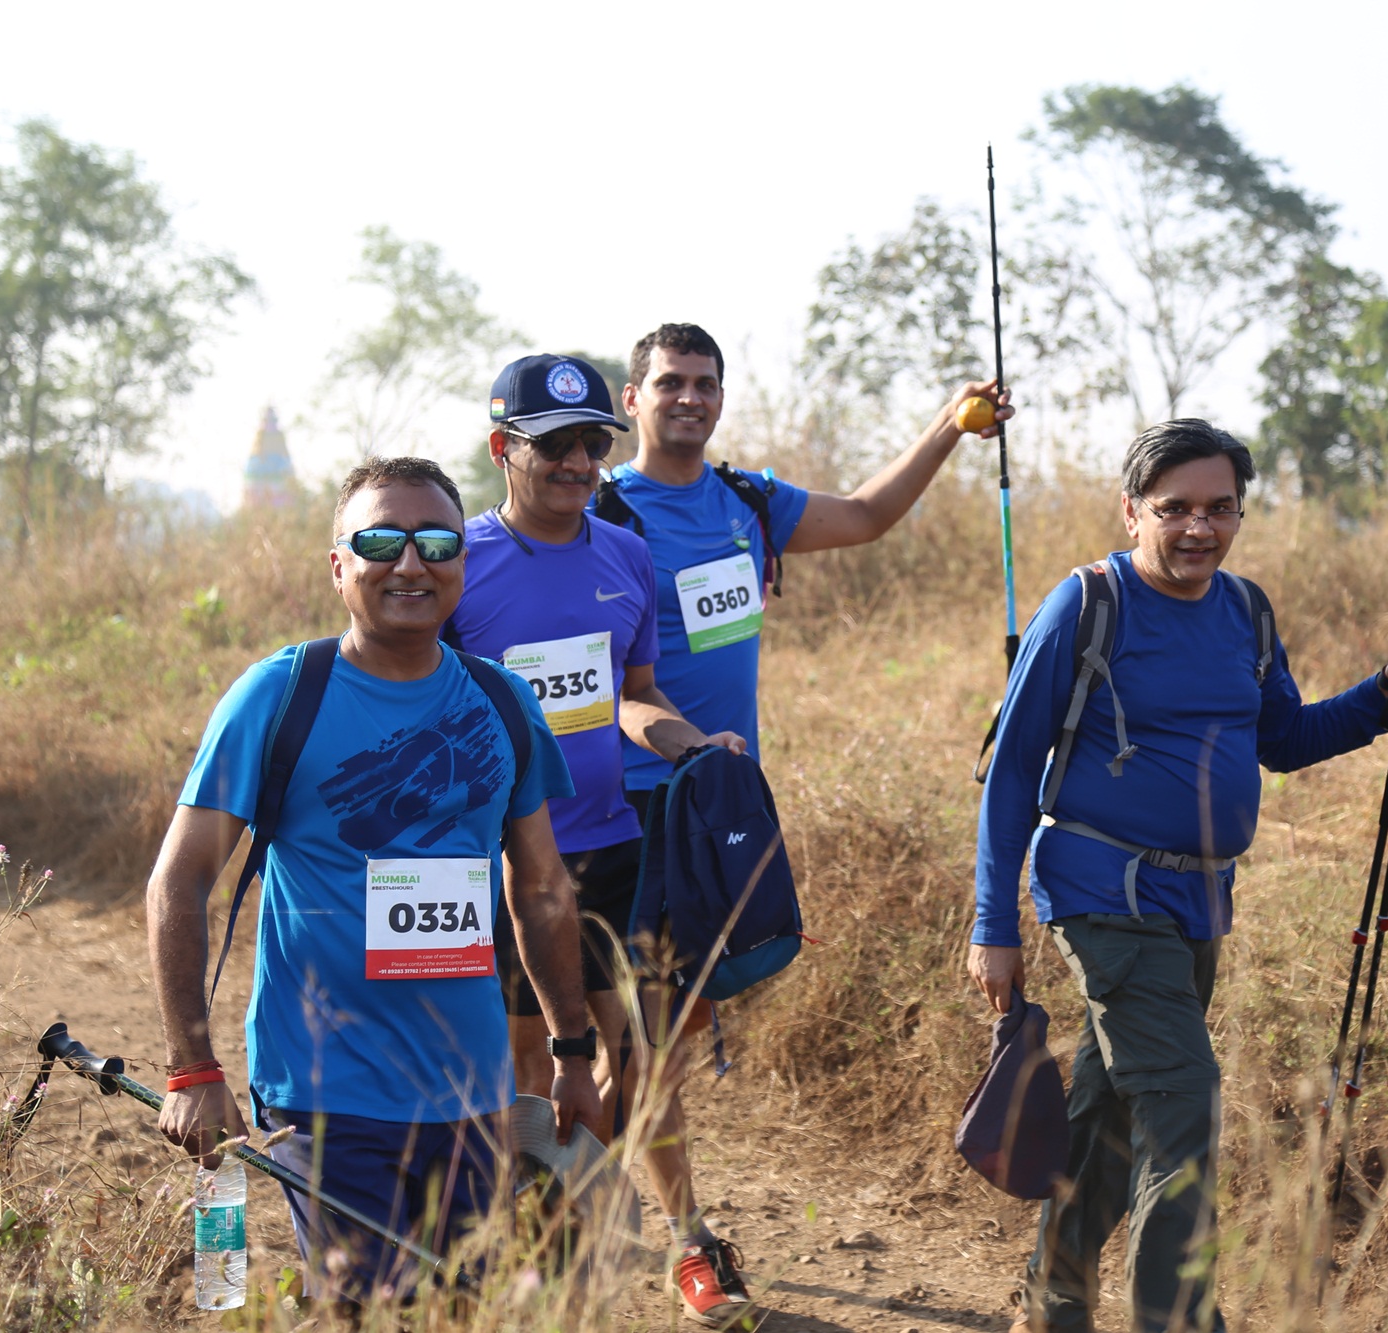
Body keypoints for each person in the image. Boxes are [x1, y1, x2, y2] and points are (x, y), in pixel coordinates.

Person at [968, 420, 1388, 1333]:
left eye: (1219, 508)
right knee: (1184, 1110)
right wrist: (994, 924)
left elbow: (1285, 739)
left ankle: (1053, 1299)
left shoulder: (1245, 611)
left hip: (1198, 901)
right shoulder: (1086, 604)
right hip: (1101, 893)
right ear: (1131, 509)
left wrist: (1385, 695)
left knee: (1109, 1120)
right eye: (1175, 508)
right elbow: (1012, 772)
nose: (1199, 527)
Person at [591, 321, 1014, 1324]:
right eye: (667, 383)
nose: (687, 398)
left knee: (660, 1039)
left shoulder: (748, 502)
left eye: (703, 383)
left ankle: (576, 1194)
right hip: (619, 809)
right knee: (633, 1046)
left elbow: (867, 514)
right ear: (630, 397)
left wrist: (953, 426)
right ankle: (678, 1239)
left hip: (723, 816)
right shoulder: (602, 511)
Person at [147, 456, 602, 1304]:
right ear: (338, 565)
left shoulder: (503, 702)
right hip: (325, 1090)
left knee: (464, 1305)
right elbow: (180, 880)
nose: (410, 563)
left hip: (470, 1094)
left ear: (462, 561)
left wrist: (573, 1050)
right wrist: (191, 1068)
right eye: (380, 541)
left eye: (436, 542)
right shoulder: (280, 694)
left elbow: (539, 888)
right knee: (377, 1306)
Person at [443, 352, 744, 1144]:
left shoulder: (628, 554)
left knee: (634, 1058)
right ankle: (525, 1244)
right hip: (503, 861)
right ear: (501, 447)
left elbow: (632, 694)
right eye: (555, 445)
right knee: (530, 1072)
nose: (579, 463)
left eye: (593, 444)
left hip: (611, 845)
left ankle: (590, 1221)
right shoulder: (456, 564)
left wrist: (695, 747)